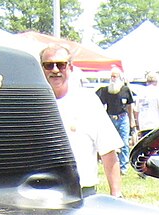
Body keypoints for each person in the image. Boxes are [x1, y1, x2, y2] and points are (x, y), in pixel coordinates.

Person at [40, 46, 121, 197]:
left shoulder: (88, 101)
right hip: (43, 193)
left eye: (61, 64)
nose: (55, 70)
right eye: (49, 65)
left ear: (70, 68)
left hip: (82, 193)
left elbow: (108, 151)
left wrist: (116, 196)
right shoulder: (32, 104)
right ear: (41, 69)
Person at [96, 67, 135, 172]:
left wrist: (132, 120)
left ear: (120, 77)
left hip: (123, 118)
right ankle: (111, 166)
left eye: (115, 76)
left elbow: (130, 105)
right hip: (110, 118)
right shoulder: (106, 90)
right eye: (111, 76)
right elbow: (99, 103)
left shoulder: (125, 90)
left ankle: (123, 167)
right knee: (110, 144)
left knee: (124, 142)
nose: (113, 79)